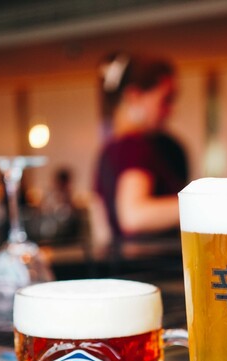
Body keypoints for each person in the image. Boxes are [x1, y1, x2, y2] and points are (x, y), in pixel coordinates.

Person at [94, 53, 188, 249]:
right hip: (153, 268)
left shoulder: (109, 149)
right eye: (166, 99)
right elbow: (133, 216)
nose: (170, 110)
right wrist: (200, 206)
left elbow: (101, 229)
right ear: (134, 96)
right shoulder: (134, 146)